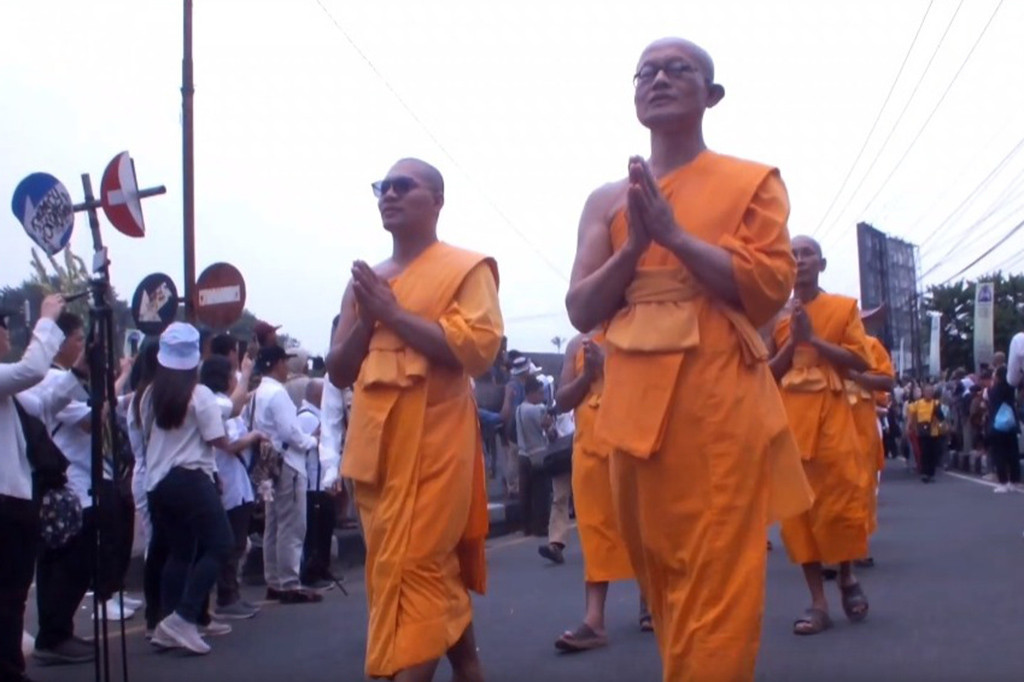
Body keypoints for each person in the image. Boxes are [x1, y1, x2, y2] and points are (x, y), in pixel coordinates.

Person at [565, 38, 811, 681]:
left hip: (717, 395)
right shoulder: (606, 200)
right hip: (631, 402)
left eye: (679, 69)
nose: (659, 78)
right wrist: (635, 248)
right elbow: (581, 308)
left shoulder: (751, 181)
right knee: (666, 576)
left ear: (712, 94)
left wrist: (674, 237)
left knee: (715, 580)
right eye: (646, 71)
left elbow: (766, 287)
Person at [326, 157, 502, 681]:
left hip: (438, 449)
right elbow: (338, 369)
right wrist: (370, 318)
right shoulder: (366, 282)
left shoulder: (466, 269)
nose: (389, 194)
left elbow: (477, 349)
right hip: (376, 455)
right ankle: (468, 666)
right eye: (382, 186)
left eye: (404, 186)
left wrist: (397, 315)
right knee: (407, 575)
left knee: (420, 568)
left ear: (437, 201)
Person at [770, 236, 874, 635]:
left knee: (841, 500)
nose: (800, 260)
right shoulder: (777, 319)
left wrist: (813, 339)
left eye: (807, 253)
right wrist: (794, 341)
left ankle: (847, 574)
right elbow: (769, 373)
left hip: (832, 417)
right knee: (798, 513)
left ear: (822, 263)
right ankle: (817, 602)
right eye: (792, 254)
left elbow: (860, 360)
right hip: (791, 422)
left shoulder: (843, 308)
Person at [551, 332, 650, 652]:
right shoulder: (575, 344)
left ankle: (650, 602)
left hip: (630, 442)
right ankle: (594, 620)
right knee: (593, 530)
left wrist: (608, 368)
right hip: (589, 448)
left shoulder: (636, 326)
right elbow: (563, 400)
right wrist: (589, 377)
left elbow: (650, 390)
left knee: (642, 527)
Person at [0, 294, 81, 681]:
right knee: (5, 599)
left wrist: (79, 370)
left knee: (13, 598)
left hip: (16, 501)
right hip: (4, 503)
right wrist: (48, 320)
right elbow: (33, 369)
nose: (6, 335)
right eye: (3, 328)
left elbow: (44, 402)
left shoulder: (8, 390)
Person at [142, 323, 234, 654]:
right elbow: (217, 440)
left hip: (157, 483)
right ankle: (183, 617)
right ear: (196, 356)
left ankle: (165, 625)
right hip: (190, 479)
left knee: (179, 552)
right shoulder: (199, 394)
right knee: (221, 544)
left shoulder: (151, 394)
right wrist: (241, 441)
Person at [252, 345, 322, 604]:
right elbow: (290, 433)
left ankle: (273, 579)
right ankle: (289, 582)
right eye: (284, 362)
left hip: (269, 462)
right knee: (291, 524)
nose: (286, 368)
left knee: (273, 524)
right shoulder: (277, 394)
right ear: (276, 364)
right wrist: (311, 442)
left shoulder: (260, 392)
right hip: (288, 463)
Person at [199, 356, 265, 619]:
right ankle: (225, 597)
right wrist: (254, 436)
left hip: (236, 482)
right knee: (229, 542)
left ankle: (232, 593)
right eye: (234, 374)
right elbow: (228, 444)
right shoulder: (215, 405)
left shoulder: (224, 405)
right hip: (226, 480)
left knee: (238, 541)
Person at [843, 308, 894, 564]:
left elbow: (886, 382)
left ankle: (858, 544)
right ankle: (830, 549)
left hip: (862, 419)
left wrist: (853, 375)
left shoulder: (872, 346)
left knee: (863, 484)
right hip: (826, 418)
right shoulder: (822, 346)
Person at [515, 376, 563, 553]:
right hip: (539, 453)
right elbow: (549, 429)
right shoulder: (539, 409)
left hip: (523, 454)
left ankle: (526, 525)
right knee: (540, 493)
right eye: (540, 392)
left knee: (525, 493)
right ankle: (540, 526)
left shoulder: (519, 409)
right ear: (532, 393)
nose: (542, 396)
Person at [298, 379, 335, 589]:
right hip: (313, 482)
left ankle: (323, 567)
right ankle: (311, 572)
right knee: (314, 531)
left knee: (325, 528)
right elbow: (304, 444)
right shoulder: (307, 417)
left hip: (323, 481)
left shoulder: (320, 416)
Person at [986, 365, 1020, 493]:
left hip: (997, 425)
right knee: (1013, 453)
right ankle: (1014, 481)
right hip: (1011, 424)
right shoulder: (1011, 388)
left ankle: (1003, 482)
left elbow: (989, 400)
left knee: (999, 454)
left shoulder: (993, 390)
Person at [907, 384, 945, 483]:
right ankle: (924, 473)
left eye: (930, 392)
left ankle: (931, 474)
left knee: (933, 453)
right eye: (927, 392)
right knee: (924, 452)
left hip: (933, 431)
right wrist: (909, 426)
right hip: (922, 431)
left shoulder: (936, 403)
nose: (929, 394)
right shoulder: (918, 404)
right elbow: (911, 415)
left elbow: (942, 418)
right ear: (923, 393)